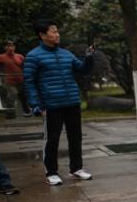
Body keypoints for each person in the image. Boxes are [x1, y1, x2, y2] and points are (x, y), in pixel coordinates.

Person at [23, 19, 94, 186]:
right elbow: (29, 82)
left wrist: (89, 58)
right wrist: (35, 105)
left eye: (57, 31)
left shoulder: (66, 53)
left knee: (75, 138)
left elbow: (83, 69)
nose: (57, 34)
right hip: (51, 105)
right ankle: (51, 172)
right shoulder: (34, 56)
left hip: (72, 102)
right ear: (42, 35)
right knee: (52, 140)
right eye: (53, 31)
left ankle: (76, 169)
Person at [0, 40, 30, 117]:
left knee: (24, 96)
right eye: (8, 46)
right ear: (5, 48)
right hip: (9, 81)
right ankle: (10, 114)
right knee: (12, 94)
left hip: (21, 80)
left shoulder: (20, 56)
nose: (10, 48)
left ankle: (26, 111)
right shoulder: (0, 57)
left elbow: (27, 66)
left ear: (14, 47)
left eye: (12, 46)